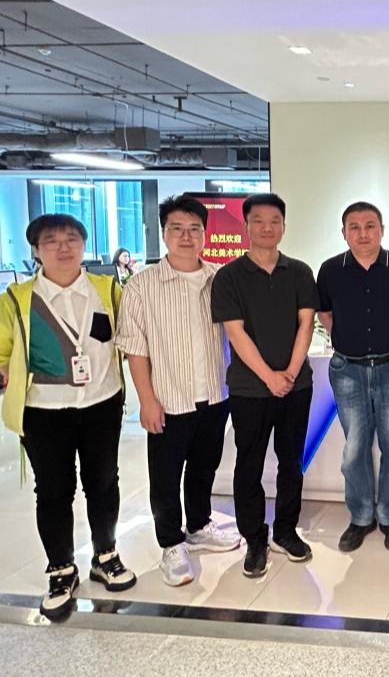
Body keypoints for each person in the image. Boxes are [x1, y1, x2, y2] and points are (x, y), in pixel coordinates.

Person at [0, 214, 136, 620]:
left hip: (102, 404)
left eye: (72, 239)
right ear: (36, 250)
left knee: (103, 483)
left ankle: (105, 554)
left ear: (84, 245)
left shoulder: (106, 289)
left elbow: (130, 336)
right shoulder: (16, 299)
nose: (63, 248)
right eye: (52, 241)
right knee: (53, 491)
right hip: (42, 410)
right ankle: (61, 568)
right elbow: (3, 350)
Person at [116, 195, 241, 588]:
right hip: (168, 399)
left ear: (205, 233)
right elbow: (135, 348)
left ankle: (199, 526)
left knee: (205, 466)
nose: (186, 237)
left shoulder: (220, 279)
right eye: (177, 229)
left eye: (194, 229)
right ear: (163, 232)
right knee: (166, 475)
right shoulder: (142, 286)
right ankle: (171, 543)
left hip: (215, 394)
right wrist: (147, 400)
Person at [211, 193, 318, 578]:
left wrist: (289, 372)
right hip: (249, 390)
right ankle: (255, 537)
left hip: (296, 387)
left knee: (292, 462)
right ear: (246, 226)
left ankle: (286, 531)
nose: (267, 227)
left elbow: (306, 324)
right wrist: (270, 377)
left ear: (284, 226)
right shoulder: (228, 277)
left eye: (275, 221)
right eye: (258, 220)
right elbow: (235, 333)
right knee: (249, 464)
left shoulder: (300, 272)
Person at [318, 201, 389, 553]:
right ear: (344, 232)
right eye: (355, 227)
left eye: (370, 226)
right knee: (354, 449)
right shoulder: (330, 270)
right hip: (347, 370)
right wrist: (347, 341)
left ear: (381, 230)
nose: (363, 234)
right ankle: (361, 517)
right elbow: (325, 314)